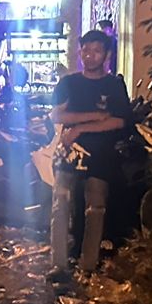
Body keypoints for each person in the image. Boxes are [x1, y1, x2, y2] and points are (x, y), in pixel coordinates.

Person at [49, 29, 132, 281]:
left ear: (106, 55)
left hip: (101, 157)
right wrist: (94, 117)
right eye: (85, 50)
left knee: (95, 208)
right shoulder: (69, 83)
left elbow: (119, 121)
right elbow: (56, 115)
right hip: (69, 155)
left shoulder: (114, 85)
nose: (90, 56)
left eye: (96, 51)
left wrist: (80, 128)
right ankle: (59, 265)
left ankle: (88, 265)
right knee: (60, 204)